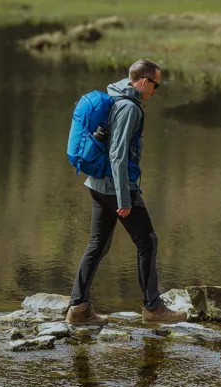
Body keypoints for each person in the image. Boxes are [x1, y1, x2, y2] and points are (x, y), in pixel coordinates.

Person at [66, 59, 185, 325]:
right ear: (143, 82)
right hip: (115, 188)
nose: (155, 91)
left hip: (96, 184)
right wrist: (124, 199)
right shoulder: (129, 108)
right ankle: (153, 308)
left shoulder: (114, 94)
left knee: (98, 245)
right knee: (148, 242)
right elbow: (118, 155)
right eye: (156, 85)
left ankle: (78, 308)